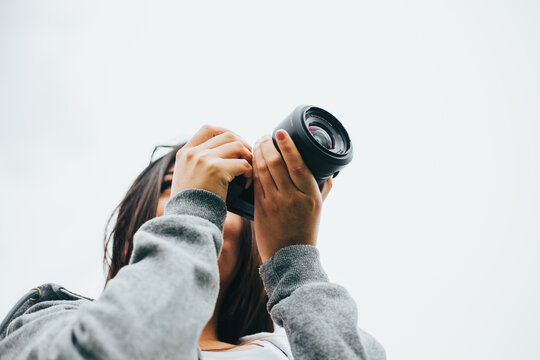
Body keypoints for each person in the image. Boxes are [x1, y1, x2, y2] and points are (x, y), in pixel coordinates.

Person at [0, 125, 386, 359]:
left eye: (225, 197)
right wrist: (194, 209)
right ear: (131, 227)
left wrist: (296, 265)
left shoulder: (287, 351)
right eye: (177, 189)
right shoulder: (49, 320)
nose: (209, 208)